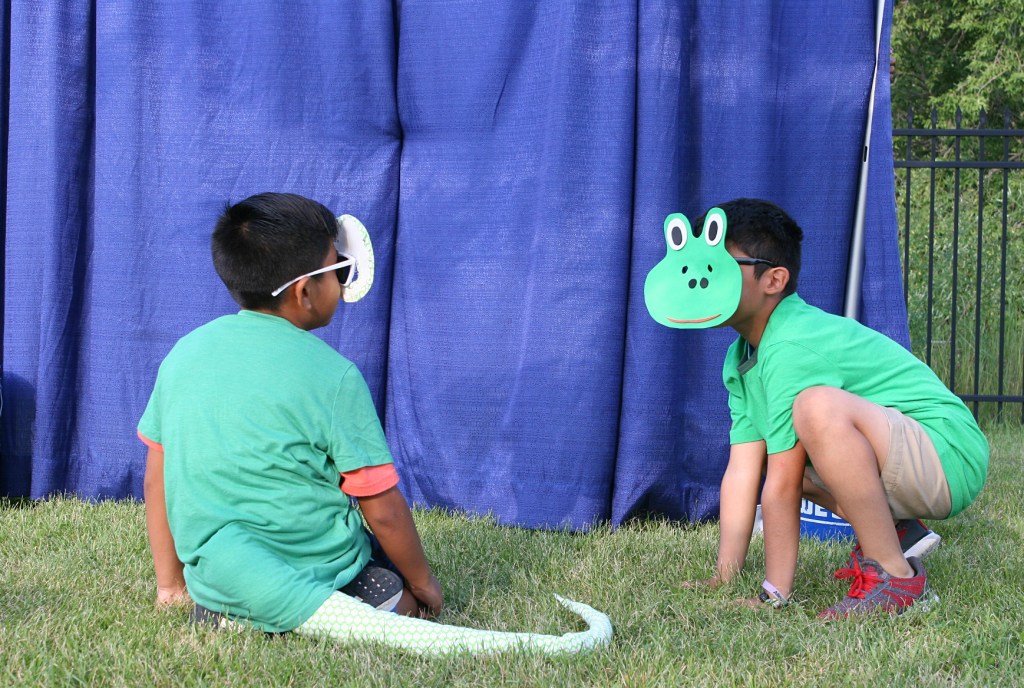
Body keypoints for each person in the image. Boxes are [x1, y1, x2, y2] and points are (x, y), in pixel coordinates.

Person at [644, 198, 989, 617]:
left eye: (721, 264)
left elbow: (783, 485)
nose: (703, 276)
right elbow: (742, 472)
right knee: (779, 450)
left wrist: (774, 593)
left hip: (947, 451)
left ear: (774, 280)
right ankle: (898, 532)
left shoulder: (791, 342)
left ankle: (897, 578)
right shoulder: (742, 358)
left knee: (815, 409)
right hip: (906, 454)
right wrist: (724, 575)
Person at [139, 192, 443, 633]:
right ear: (305, 292)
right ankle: (329, 608)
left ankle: (231, 613)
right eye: (338, 270)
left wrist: (170, 586)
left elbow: (158, 479)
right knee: (400, 596)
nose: (342, 280)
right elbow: (382, 508)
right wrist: (423, 583)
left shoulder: (181, 356)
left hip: (219, 583)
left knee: (229, 587)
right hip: (317, 570)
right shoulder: (336, 376)